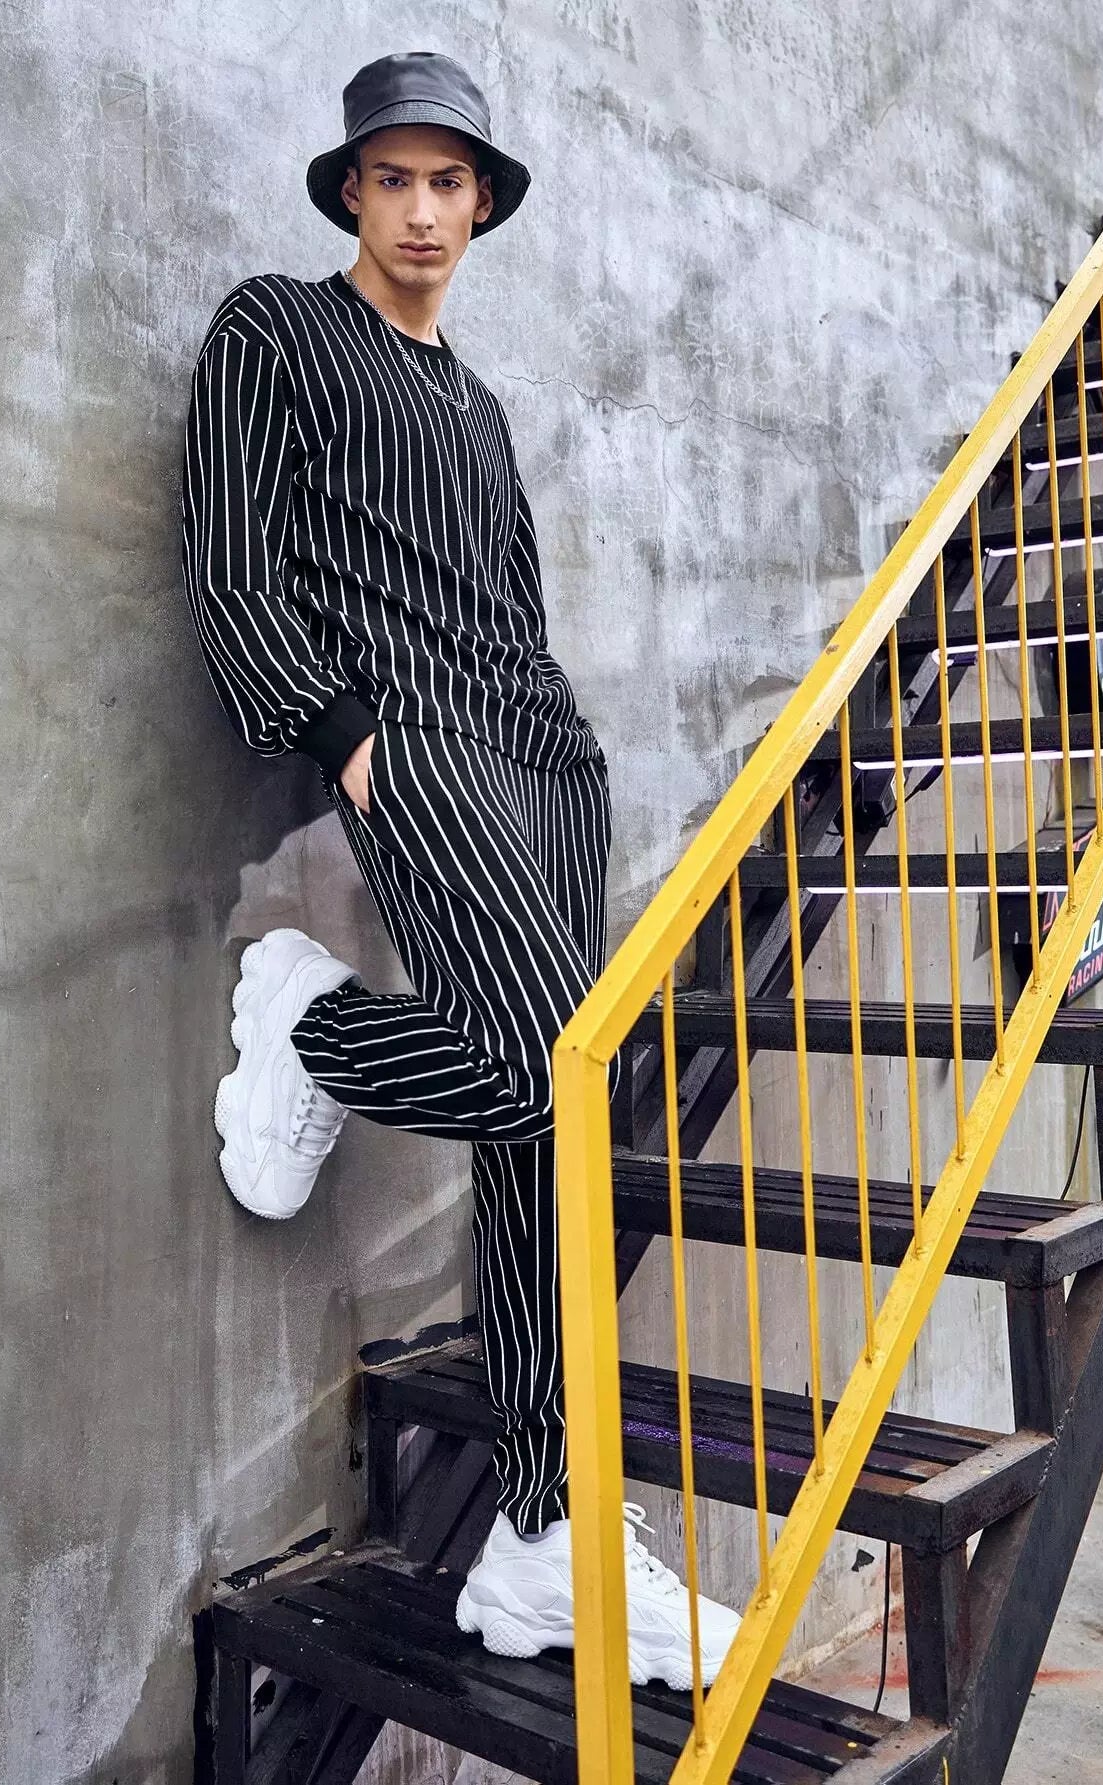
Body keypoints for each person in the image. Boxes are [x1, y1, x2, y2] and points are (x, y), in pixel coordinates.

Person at [179, 48, 739, 1688]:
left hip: (544, 768)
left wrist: (574, 757)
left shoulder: (479, 409)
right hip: (408, 745)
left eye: (448, 183)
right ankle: (314, 1029)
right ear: (353, 192)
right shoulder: (275, 331)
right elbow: (230, 558)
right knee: (545, 1069)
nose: (421, 210)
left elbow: (513, 609)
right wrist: (342, 731)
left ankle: (544, 1533)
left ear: (481, 205)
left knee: (551, 1130)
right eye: (394, 179)